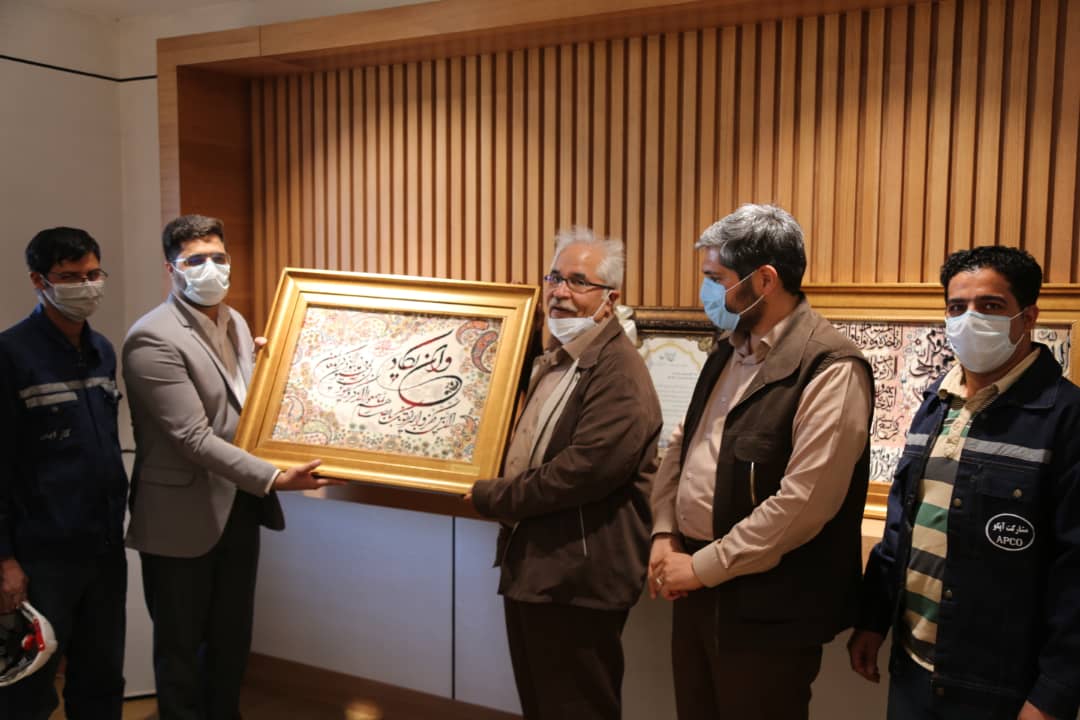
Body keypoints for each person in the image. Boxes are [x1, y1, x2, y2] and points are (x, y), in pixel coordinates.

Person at [649, 204, 874, 720]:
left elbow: (803, 505)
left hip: (768, 612)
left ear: (765, 280)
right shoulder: (728, 350)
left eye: (716, 279)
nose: (707, 292)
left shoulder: (830, 365)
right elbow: (683, 446)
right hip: (695, 588)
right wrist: (664, 533)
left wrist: (699, 568)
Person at [849, 246, 1080, 720]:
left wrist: (1053, 694)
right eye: (957, 307)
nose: (969, 319)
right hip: (913, 671)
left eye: (990, 306)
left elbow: (1075, 572)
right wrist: (873, 620)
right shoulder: (936, 402)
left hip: (1000, 687)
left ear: (1028, 316)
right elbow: (900, 526)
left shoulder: (1066, 417)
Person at [123, 214, 338, 720]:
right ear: (171, 269)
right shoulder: (152, 338)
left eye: (218, 257)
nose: (211, 268)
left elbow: (243, 409)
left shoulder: (235, 321)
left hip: (238, 505)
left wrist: (274, 369)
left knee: (230, 640)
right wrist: (274, 477)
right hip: (180, 518)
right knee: (181, 650)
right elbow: (192, 437)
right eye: (195, 260)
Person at [467, 228, 662, 720]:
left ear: (610, 299)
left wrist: (494, 497)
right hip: (540, 571)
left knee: (577, 708)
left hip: (576, 582)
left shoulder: (618, 372)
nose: (559, 292)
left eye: (578, 282)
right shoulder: (562, 358)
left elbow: (582, 472)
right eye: (554, 278)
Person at [0, 227, 128, 719]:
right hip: (41, 555)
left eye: (94, 274)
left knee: (101, 677)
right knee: (29, 686)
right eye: (71, 277)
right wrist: (5, 560)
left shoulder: (102, 350)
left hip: (103, 546)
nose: (87, 286)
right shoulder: (11, 355)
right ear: (39, 281)